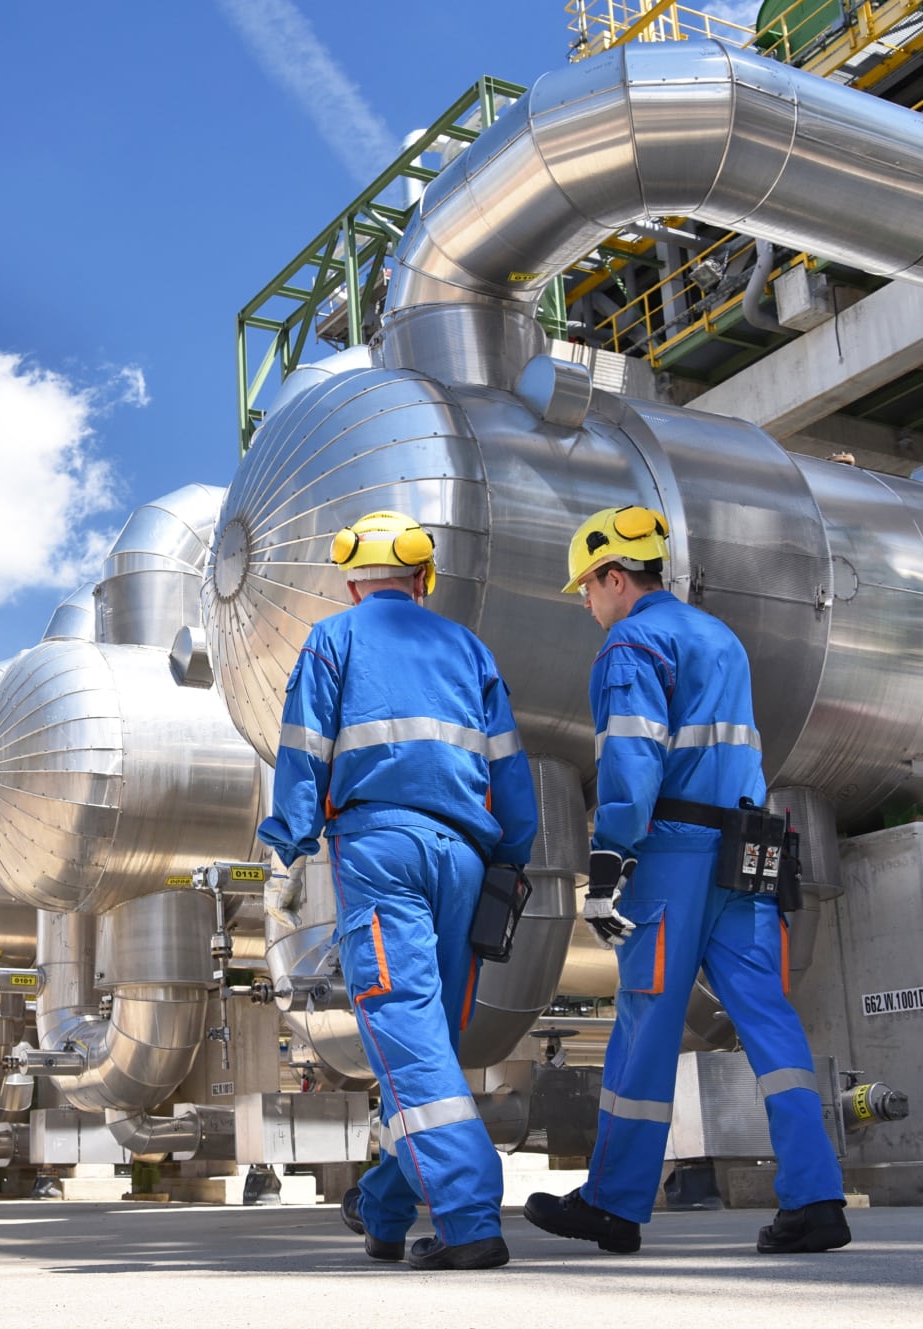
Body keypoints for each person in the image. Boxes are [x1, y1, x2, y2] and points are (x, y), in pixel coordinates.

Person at [524, 505, 850, 1256]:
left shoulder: (630, 643)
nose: (584, 601)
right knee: (768, 1017)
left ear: (616, 577)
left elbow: (633, 764)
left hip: (672, 852)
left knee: (646, 1020)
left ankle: (613, 1201)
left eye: (586, 586)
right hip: (747, 851)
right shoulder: (719, 638)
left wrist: (609, 860)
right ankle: (817, 1197)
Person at [258, 510, 538, 1271]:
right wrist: (511, 857)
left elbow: (302, 745)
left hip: (382, 852)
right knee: (425, 1043)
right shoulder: (469, 648)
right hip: (467, 861)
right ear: (423, 579)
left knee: (406, 1039)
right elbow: (512, 772)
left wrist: (287, 837)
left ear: (352, 581)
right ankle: (383, 1207)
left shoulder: (334, 638)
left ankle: (471, 1212)